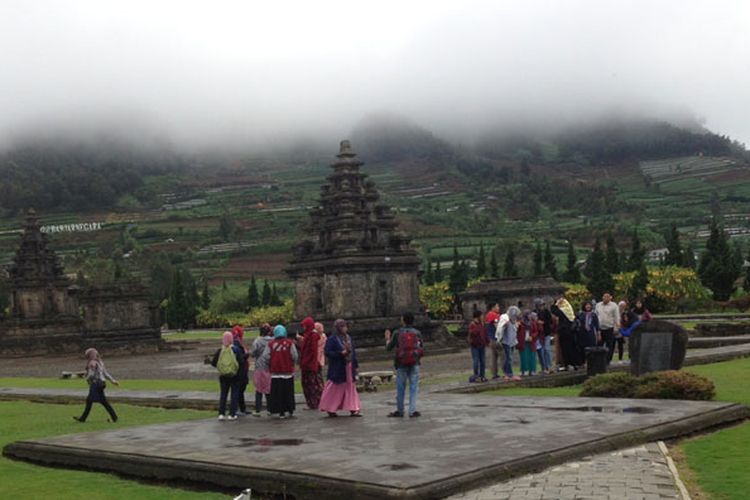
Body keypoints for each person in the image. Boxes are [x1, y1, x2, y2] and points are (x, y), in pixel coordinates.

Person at [319, 319, 362, 417]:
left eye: (345, 326)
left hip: (349, 366)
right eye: (342, 326)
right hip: (337, 367)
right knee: (335, 387)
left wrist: (355, 365)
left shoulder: (348, 338)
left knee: (350, 387)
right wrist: (340, 353)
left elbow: (353, 352)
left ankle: (353, 407)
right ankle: (330, 408)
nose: (344, 328)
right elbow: (328, 352)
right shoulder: (333, 339)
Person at [385, 311, 424, 418]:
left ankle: (400, 410)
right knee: (414, 387)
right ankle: (412, 411)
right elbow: (421, 347)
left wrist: (387, 338)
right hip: (414, 362)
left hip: (401, 363)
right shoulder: (417, 333)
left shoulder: (397, 333)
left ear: (403, 320)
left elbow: (388, 348)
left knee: (400, 388)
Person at [261, 325, 298, 419]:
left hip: (276, 373)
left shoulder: (270, 344)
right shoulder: (290, 343)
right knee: (288, 392)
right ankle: (290, 409)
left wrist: (271, 362)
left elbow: (265, 356)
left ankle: (281, 411)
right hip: (288, 372)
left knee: (278, 393)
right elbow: (294, 355)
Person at [73, 347, 119, 423]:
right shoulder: (100, 362)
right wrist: (113, 381)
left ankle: (83, 418)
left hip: (95, 384)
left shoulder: (92, 363)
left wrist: (85, 376)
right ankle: (114, 417)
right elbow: (105, 374)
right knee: (103, 402)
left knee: (90, 400)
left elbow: (91, 375)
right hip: (102, 383)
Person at [213, 331, 244, 421]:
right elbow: (241, 362)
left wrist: (222, 368)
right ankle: (232, 414)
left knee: (223, 394)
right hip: (234, 375)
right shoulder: (236, 349)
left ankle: (221, 413)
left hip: (223, 375)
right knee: (234, 394)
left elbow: (214, 362)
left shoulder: (220, 350)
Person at [297, 316, 324, 410]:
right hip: (307, 364)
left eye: (304, 326)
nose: (303, 328)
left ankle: (314, 403)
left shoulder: (312, 336)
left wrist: (305, 362)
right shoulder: (308, 335)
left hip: (309, 365)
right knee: (308, 385)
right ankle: (312, 403)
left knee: (311, 385)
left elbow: (311, 351)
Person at [551, 297, 583, 369]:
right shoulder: (569, 310)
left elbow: (554, 310)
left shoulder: (564, 310)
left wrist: (557, 303)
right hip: (570, 332)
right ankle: (574, 363)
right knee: (572, 347)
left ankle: (568, 363)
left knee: (566, 348)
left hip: (565, 332)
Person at [251, 323, 273, 416]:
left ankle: (258, 410)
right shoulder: (273, 340)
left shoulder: (257, 341)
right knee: (269, 389)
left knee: (259, 390)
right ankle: (270, 409)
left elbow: (253, 353)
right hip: (270, 367)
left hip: (259, 366)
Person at [595, 292, 620, 364]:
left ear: (610, 298)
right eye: (604, 297)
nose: (605, 298)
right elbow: (596, 316)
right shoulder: (598, 305)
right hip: (600, 329)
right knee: (599, 345)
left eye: (607, 297)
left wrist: (616, 328)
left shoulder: (614, 306)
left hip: (610, 328)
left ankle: (608, 360)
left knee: (610, 345)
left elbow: (617, 317)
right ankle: (599, 360)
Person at [498, 305, 521, 381]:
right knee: (509, 358)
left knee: (509, 358)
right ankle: (509, 374)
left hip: (512, 342)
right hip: (506, 342)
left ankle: (506, 373)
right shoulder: (506, 320)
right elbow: (500, 328)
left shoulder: (514, 322)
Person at [231, 325, 250, 415]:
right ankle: (238, 409)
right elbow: (240, 359)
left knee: (239, 389)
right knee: (239, 389)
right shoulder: (237, 344)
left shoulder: (233, 343)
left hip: (238, 369)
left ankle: (241, 408)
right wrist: (246, 355)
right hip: (240, 370)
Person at [534, 298, 554, 374]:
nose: (542, 307)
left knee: (547, 350)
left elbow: (550, 321)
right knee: (541, 351)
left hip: (546, 332)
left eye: (542, 305)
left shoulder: (546, 311)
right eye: (540, 305)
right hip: (538, 334)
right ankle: (543, 367)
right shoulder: (535, 312)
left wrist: (543, 322)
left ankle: (549, 366)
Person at [467, 309, 488, 382]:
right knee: (476, 361)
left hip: (482, 345)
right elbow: (473, 333)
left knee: (483, 361)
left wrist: (486, 341)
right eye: (481, 316)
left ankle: (482, 375)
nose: (483, 317)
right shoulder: (472, 325)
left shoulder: (482, 324)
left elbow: (484, 333)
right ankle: (476, 375)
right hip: (475, 345)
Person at [517, 311, 539, 376]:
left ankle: (532, 370)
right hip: (523, 342)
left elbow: (536, 332)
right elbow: (517, 332)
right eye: (528, 315)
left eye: (530, 315)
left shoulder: (532, 323)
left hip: (531, 342)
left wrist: (532, 336)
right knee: (524, 356)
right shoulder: (521, 323)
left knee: (532, 356)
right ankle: (524, 370)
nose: (529, 316)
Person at [484, 303, 502, 379]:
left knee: (494, 357)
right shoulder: (493, 315)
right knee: (504, 356)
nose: (498, 308)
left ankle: (494, 374)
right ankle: (507, 372)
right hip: (496, 339)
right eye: (497, 306)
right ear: (493, 307)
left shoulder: (488, 315)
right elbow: (497, 326)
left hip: (491, 339)